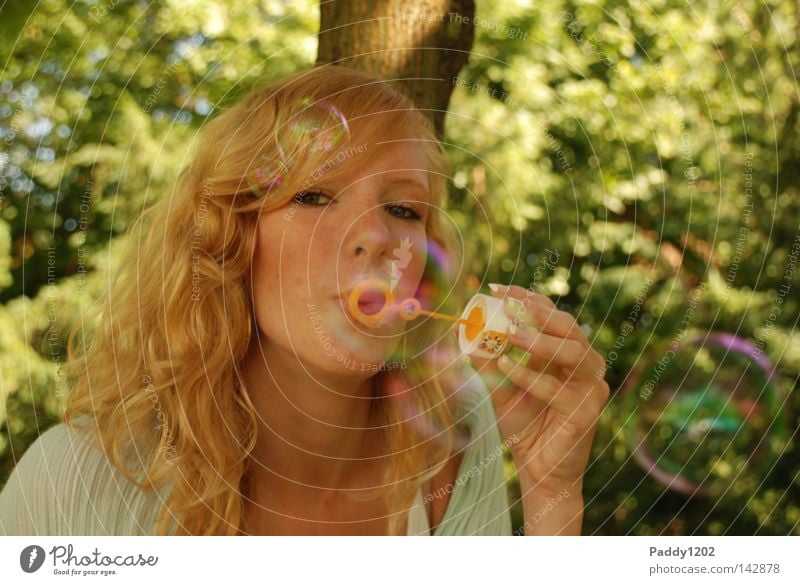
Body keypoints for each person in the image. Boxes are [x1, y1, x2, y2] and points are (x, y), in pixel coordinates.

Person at [0, 65, 609, 536]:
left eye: (404, 209)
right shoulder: (77, 482)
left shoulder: (457, 439)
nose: (376, 234)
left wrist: (551, 490)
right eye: (314, 196)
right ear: (232, 241)